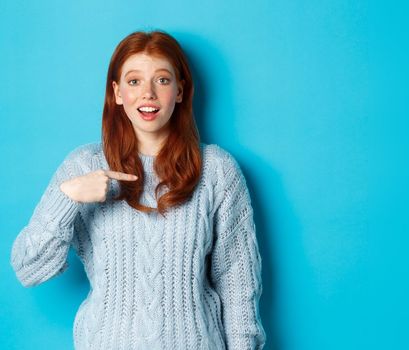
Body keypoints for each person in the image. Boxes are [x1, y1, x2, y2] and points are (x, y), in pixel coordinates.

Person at [9, 30, 266, 350]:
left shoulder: (216, 170)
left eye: (161, 80)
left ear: (180, 91)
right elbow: (28, 268)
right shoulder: (83, 165)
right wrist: (68, 197)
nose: (148, 94)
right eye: (133, 81)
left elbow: (238, 284)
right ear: (116, 93)